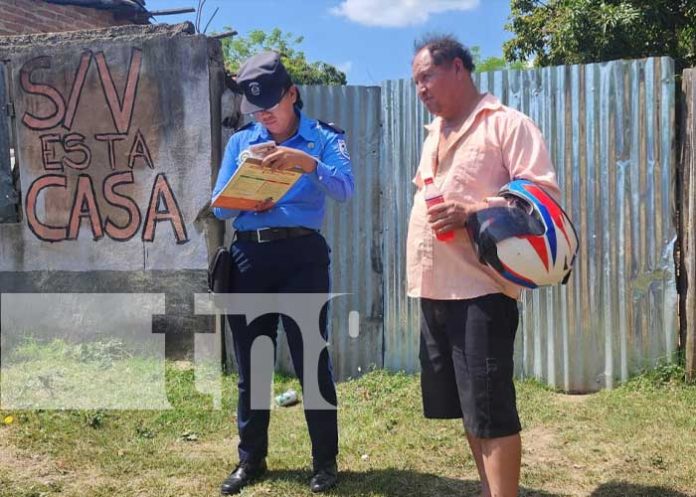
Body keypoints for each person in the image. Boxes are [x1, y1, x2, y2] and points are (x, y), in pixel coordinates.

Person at [407, 34, 561, 497]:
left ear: (459, 68)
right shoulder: (435, 132)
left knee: (491, 409)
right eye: (415, 82)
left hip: (481, 289)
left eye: (426, 77)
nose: (421, 89)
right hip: (435, 287)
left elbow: (541, 198)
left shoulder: (507, 125)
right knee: (471, 409)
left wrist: (471, 211)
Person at [211, 51, 354, 495]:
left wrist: (306, 164)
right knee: (252, 366)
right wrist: (246, 196)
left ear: (293, 94)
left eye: (272, 104)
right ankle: (250, 460)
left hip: (302, 258)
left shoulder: (323, 138)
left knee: (312, 361)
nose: (265, 115)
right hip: (249, 258)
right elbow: (218, 204)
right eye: (258, 109)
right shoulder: (242, 142)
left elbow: (345, 188)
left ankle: (324, 463)